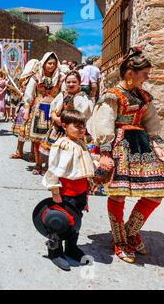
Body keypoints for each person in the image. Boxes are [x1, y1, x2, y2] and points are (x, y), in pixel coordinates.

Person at [91, 47, 164, 263]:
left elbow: (151, 122)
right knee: (118, 194)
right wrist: (105, 152)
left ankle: (130, 231)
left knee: (155, 193)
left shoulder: (144, 97)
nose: (147, 79)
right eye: (145, 75)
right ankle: (120, 239)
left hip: (142, 149)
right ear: (130, 73)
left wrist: (158, 144)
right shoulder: (112, 96)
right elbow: (103, 123)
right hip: (119, 148)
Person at [41, 109, 94, 270]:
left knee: (75, 223)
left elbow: (81, 165)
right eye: (76, 126)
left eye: (82, 126)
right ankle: (55, 252)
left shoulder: (79, 142)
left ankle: (71, 247)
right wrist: (55, 190)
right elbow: (54, 168)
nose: (80, 129)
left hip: (80, 192)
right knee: (60, 223)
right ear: (64, 126)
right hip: (66, 194)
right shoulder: (62, 144)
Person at [23, 52, 64, 175]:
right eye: (49, 63)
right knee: (37, 139)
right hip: (39, 111)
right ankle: (38, 163)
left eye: (53, 64)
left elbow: (64, 93)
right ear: (44, 63)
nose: (51, 66)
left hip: (54, 112)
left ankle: (48, 165)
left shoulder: (61, 78)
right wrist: (26, 109)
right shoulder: (36, 77)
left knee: (52, 139)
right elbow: (29, 94)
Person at [42, 70, 93, 155]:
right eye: (68, 82)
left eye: (74, 82)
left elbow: (82, 114)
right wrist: (56, 118)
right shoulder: (62, 94)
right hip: (60, 128)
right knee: (56, 153)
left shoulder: (83, 97)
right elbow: (53, 109)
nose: (71, 84)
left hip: (76, 130)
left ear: (79, 83)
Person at [10, 59, 40, 160]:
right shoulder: (25, 78)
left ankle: (32, 153)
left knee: (32, 132)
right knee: (23, 131)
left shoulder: (37, 77)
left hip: (33, 106)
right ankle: (21, 152)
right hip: (26, 106)